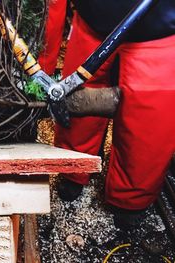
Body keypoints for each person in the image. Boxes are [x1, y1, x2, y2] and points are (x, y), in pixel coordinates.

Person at [38, 0, 175, 230]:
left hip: (161, 37)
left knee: (148, 134)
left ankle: (130, 200)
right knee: (75, 111)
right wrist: (43, 65)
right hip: (92, 23)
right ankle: (73, 170)